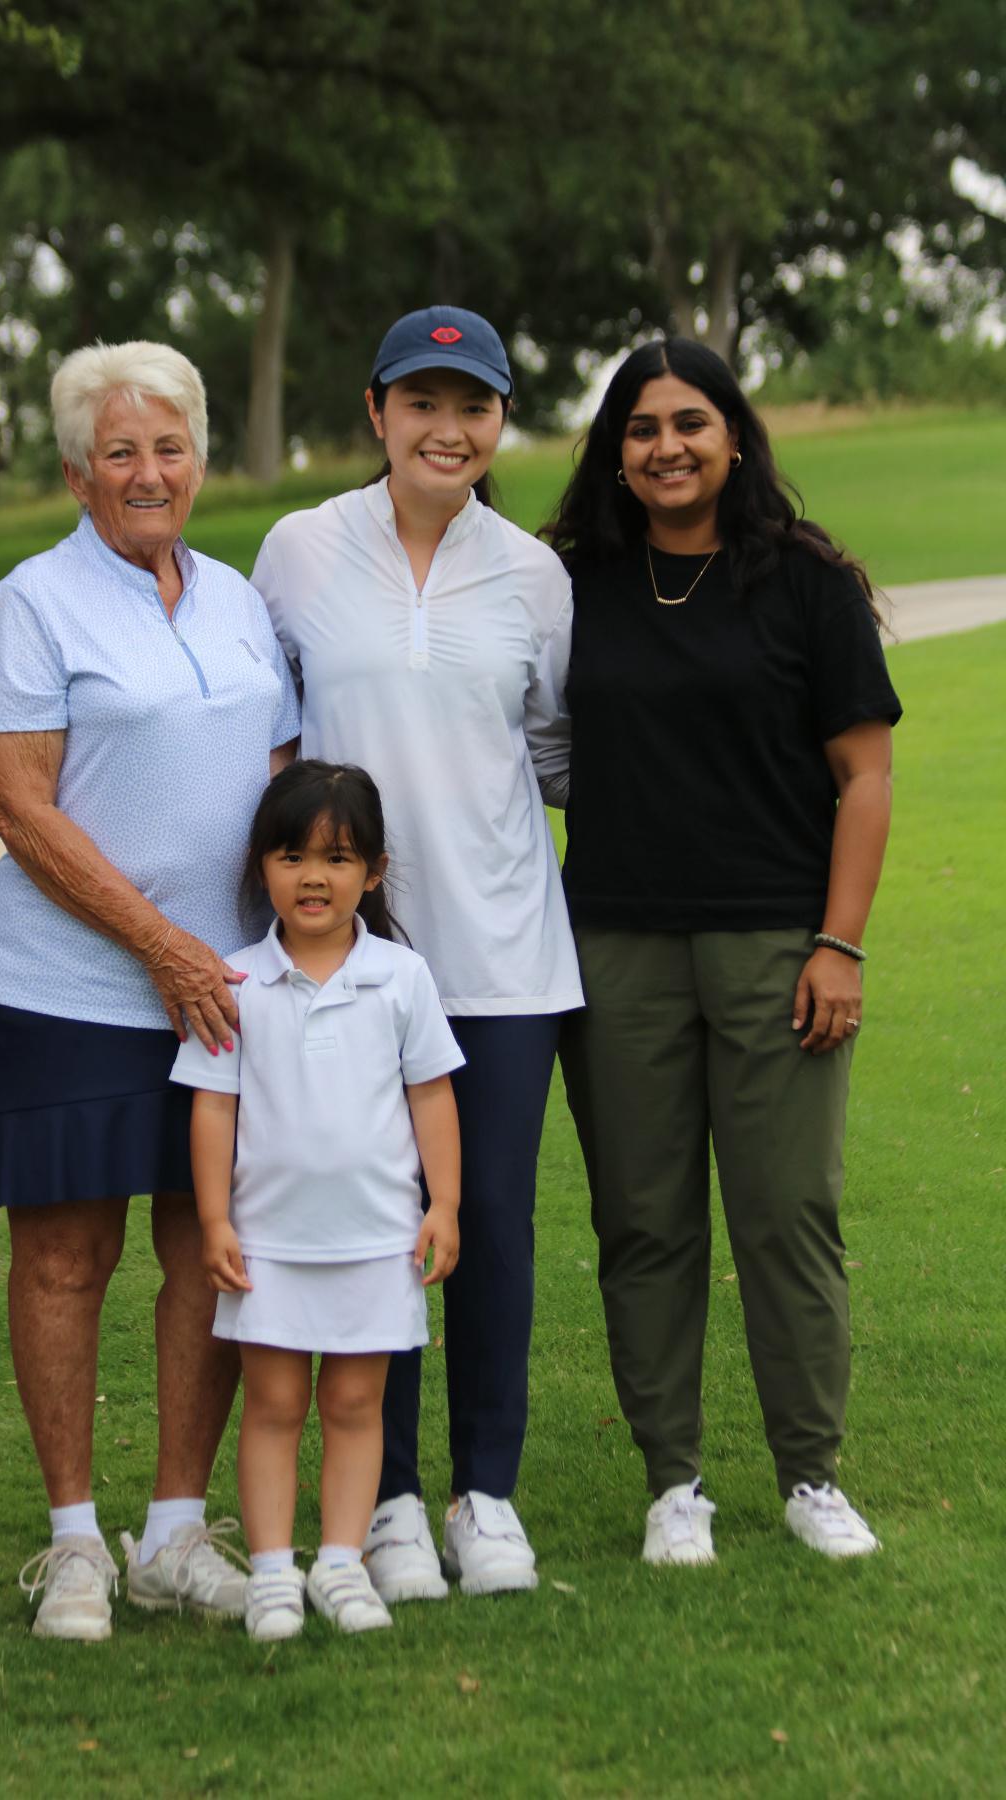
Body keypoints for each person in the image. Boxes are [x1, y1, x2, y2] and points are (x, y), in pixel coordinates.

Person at [0, 340, 300, 1640]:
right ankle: (76, 1545)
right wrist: (159, 944)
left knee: (208, 1253)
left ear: (198, 459)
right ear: (78, 470)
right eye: (121, 451)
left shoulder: (237, 599)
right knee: (64, 1258)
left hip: (224, 989)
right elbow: (16, 805)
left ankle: (173, 1533)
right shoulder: (35, 602)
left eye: (169, 447)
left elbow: (282, 783)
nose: (149, 472)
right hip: (66, 990)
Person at [543, 337, 902, 1565]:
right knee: (643, 1221)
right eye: (641, 429)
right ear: (615, 453)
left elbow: (865, 776)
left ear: (733, 437)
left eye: (690, 422)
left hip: (775, 944)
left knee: (786, 1213)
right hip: (616, 948)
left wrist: (839, 944)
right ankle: (674, 1486)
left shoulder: (806, 584)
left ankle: (811, 1476)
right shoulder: (571, 583)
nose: (667, 447)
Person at [250, 307, 582, 1601]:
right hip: (347, 968)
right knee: (371, 1223)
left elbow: (553, 757)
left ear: (498, 424)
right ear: (377, 412)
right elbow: (271, 744)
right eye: (423, 402)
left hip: (504, 962)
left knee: (488, 1223)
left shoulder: (533, 577)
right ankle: (383, 1500)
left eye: (475, 406)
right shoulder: (298, 551)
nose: (449, 429)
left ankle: (483, 1496)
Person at [171, 761, 463, 1639]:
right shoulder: (236, 984)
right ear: (262, 867)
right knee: (274, 1407)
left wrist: (443, 1204)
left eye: (337, 859)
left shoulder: (401, 979)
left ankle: (339, 1563)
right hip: (268, 1245)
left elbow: (432, 1098)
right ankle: (270, 1574)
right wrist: (217, 1220)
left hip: (376, 1242)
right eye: (292, 856)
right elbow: (212, 1106)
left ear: (372, 873)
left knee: (354, 1407)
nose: (313, 877)